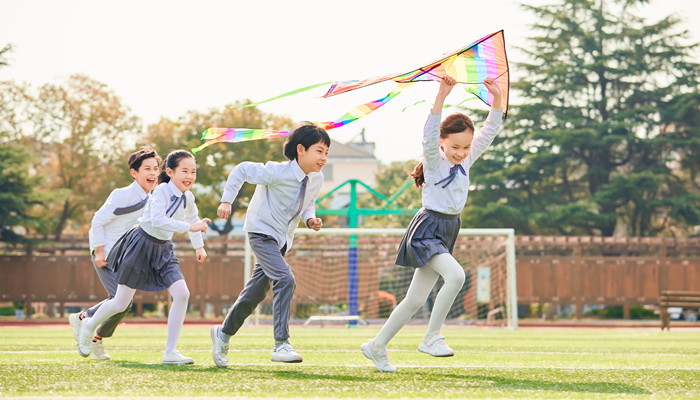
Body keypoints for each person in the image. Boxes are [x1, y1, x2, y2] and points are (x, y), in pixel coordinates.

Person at [361, 76, 503, 372]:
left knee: (414, 300)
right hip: (427, 229)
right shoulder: (435, 160)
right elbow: (428, 133)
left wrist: (497, 99)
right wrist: (441, 94)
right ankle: (432, 336)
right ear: (442, 142)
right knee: (457, 276)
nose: (461, 152)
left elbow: (489, 132)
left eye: (465, 147)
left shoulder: (466, 160)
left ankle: (376, 346)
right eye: (455, 146)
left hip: (449, 228)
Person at [210, 122, 330, 368]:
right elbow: (241, 170)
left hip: (282, 240)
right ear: (300, 149)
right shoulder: (276, 171)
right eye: (319, 151)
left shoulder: (316, 178)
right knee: (286, 279)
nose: (324, 158)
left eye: (326, 152)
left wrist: (310, 218)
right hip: (261, 232)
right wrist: (226, 201)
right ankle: (281, 343)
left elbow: (308, 201)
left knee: (254, 295)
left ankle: (222, 334)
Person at [76, 150, 210, 365]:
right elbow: (158, 221)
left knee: (182, 294)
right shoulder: (160, 192)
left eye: (193, 172)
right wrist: (189, 227)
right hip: (140, 244)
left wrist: (199, 247)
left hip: (164, 248)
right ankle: (89, 325)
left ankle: (170, 352)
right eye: (184, 171)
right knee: (120, 302)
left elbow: (194, 219)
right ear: (170, 172)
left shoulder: (188, 197)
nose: (189, 176)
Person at [68, 147, 161, 360]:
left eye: (155, 168)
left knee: (120, 304)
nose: (153, 173)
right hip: (107, 254)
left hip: (126, 258)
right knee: (121, 302)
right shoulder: (122, 195)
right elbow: (97, 220)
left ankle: (85, 322)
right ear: (134, 173)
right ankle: (89, 326)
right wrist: (99, 251)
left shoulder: (153, 199)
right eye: (147, 168)